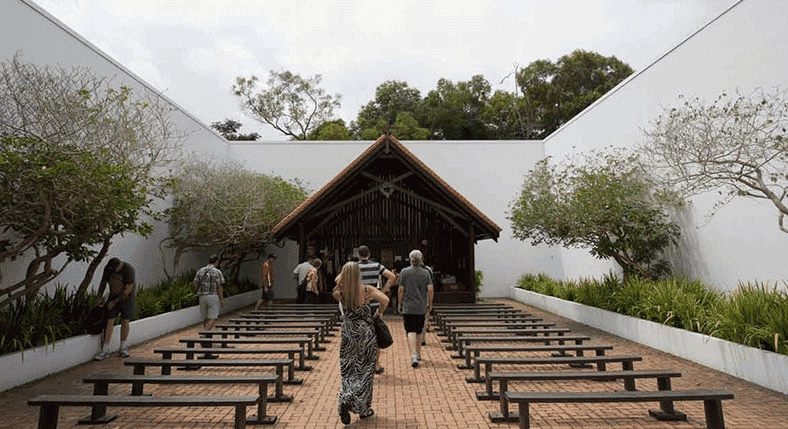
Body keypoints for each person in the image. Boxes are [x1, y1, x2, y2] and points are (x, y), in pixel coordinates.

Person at [332, 262, 389, 424]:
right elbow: (385, 300)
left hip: (348, 331)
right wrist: (378, 315)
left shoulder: (339, 292)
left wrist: (344, 274)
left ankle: (345, 397)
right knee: (365, 370)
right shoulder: (367, 290)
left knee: (349, 367)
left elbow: (337, 280)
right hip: (365, 331)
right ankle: (363, 409)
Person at [356, 245, 396, 374]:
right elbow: (391, 276)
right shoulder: (376, 266)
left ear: (358, 255)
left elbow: (339, 280)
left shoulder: (353, 267)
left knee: (360, 335)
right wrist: (383, 291)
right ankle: (376, 364)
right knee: (375, 334)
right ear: (369, 254)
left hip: (358, 305)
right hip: (373, 305)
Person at [93, 257, 137, 360]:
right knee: (109, 321)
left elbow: (127, 290)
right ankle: (105, 350)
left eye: (115, 270)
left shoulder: (128, 269)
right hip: (113, 296)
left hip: (127, 298)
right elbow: (103, 283)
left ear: (120, 266)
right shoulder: (108, 269)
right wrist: (99, 297)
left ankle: (123, 347)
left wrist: (114, 302)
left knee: (125, 321)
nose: (114, 272)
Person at [398, 249, 434, 368]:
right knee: (419, 330)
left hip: (408, 306)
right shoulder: (426, 273)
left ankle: (413, 353)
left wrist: (400, 303)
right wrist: (430, 303)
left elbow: (401, 289)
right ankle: (418, 353)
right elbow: (430, 289)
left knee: (410, 330)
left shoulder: (404, 272)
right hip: (421, 306)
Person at [193, 254, 225, 331]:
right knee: (213, 316)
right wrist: (221, 299)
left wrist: (198, 291)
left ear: (208, 261)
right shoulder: (217, 272)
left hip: (202, 296)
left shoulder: (200, 270)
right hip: (213, 295)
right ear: (216, 262)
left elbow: (195, 283)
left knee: (205, 317)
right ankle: (206, 333)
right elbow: (219, 286)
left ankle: (206, 333)